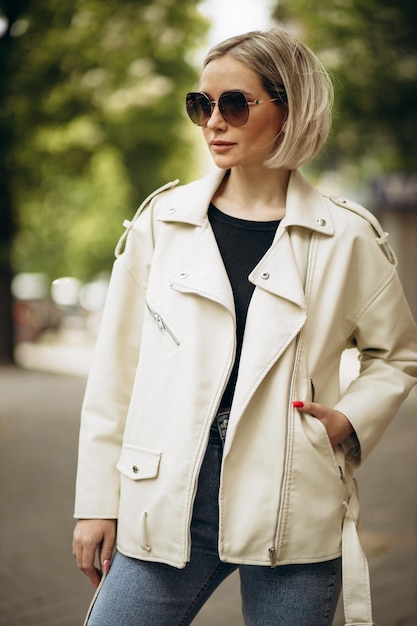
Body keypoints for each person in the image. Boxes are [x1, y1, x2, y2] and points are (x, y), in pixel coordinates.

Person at [72, 28, 417, 626]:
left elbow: (398, 355)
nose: (213, 122)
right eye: (201, 106)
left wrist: (348, 420)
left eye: (234, 104)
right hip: (167, 494)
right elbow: (115, 373)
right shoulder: (163, 223)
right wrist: (97, 504)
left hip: (294, 499)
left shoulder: (348, 235)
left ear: (290, 108)